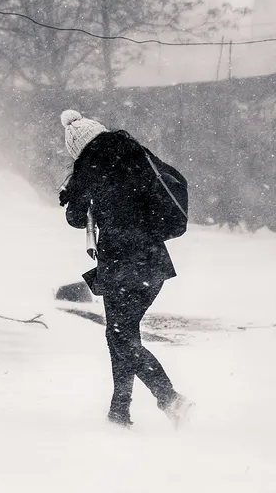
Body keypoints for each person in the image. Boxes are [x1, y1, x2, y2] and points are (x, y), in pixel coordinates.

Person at [57, 109, 192, 429]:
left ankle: (170, 399)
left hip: (120, 261)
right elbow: (171, 183)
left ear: (78, 148)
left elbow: (76, 219)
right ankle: (120, 413)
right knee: (122, 334)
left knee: (120, 337)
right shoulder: (136, 153)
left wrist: (71, 195)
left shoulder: (89, 168)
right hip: (154, 260)